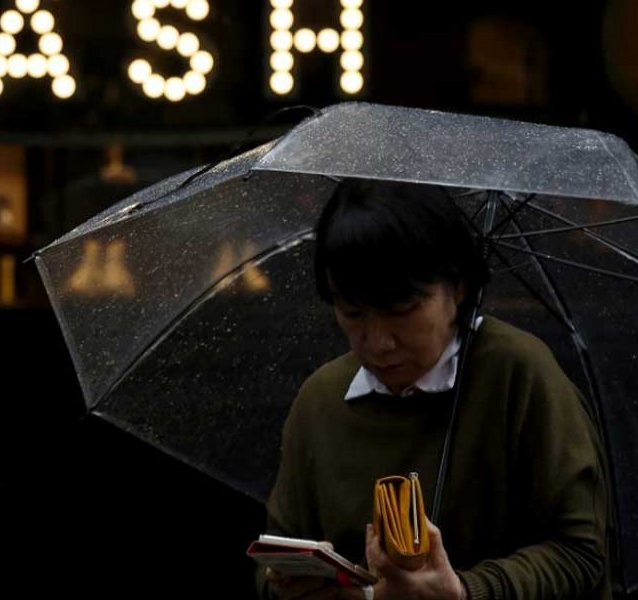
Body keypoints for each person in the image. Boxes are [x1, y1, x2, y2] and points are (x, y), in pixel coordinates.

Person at [257, 179, 610, 600]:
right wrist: (291, 586)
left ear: (458, 288)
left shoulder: (518, 374)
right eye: (352, 313)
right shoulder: (320, 400)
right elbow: (274, 556)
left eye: (402, 311)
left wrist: (463, 591)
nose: (377, 342)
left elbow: (582, 554)